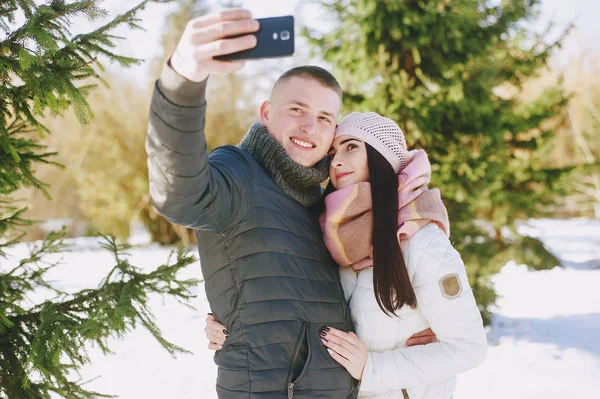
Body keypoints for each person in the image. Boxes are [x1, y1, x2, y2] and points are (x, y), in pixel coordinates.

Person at [148, 7, 437, 398]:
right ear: (267, 113)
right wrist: (183, 78)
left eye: (324, 118)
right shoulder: (237, 172)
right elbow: (178, 192)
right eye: (296, 110)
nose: (309, 128)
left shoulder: (324, 207)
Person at [208, 112, 487, 399]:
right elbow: (282, 291)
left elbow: (468, 347)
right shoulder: (328, 236)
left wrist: (372, 368)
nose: (337, 160)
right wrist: (231, 320)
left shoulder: (420, 241)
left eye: (351, 146)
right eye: (333, 152)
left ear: (383, 157)